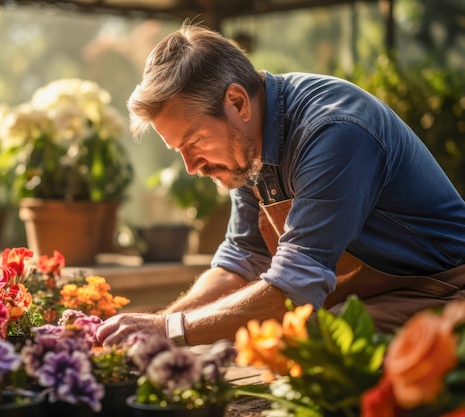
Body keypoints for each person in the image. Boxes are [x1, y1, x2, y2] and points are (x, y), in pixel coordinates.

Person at [96, 22, 465, 347]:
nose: (191, 167)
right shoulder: (245, 148)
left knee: (304, 346)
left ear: (237, 102)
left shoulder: (333, 132)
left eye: (194, 143)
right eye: (179, 151)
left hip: (443, 292)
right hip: (371, 299)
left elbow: (295, 286)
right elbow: (240, 262)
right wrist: (155, 327)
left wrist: (169, 329)